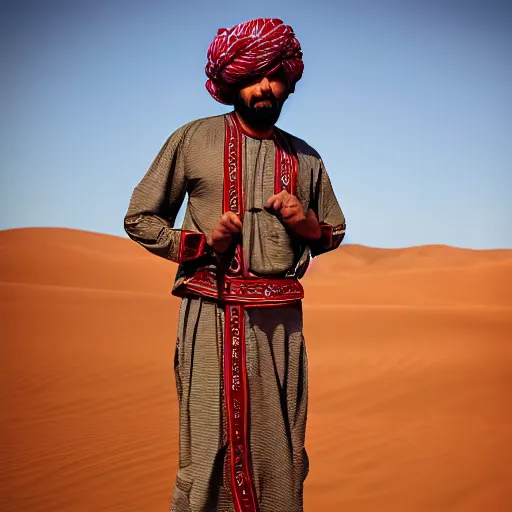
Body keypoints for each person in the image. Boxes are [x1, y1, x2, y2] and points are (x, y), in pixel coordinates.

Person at [124, 17, 346, 512]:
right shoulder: (192, 140)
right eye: (252, 74)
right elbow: (140, 218)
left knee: (281, 454)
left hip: (281, 326)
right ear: (231, 82)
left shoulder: (306, 159)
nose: (264, 86)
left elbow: (334, 230)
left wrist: (308, 228)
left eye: (274, 74)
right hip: (211, 314)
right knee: (206, 451)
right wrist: (201, 242)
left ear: (289, 78)